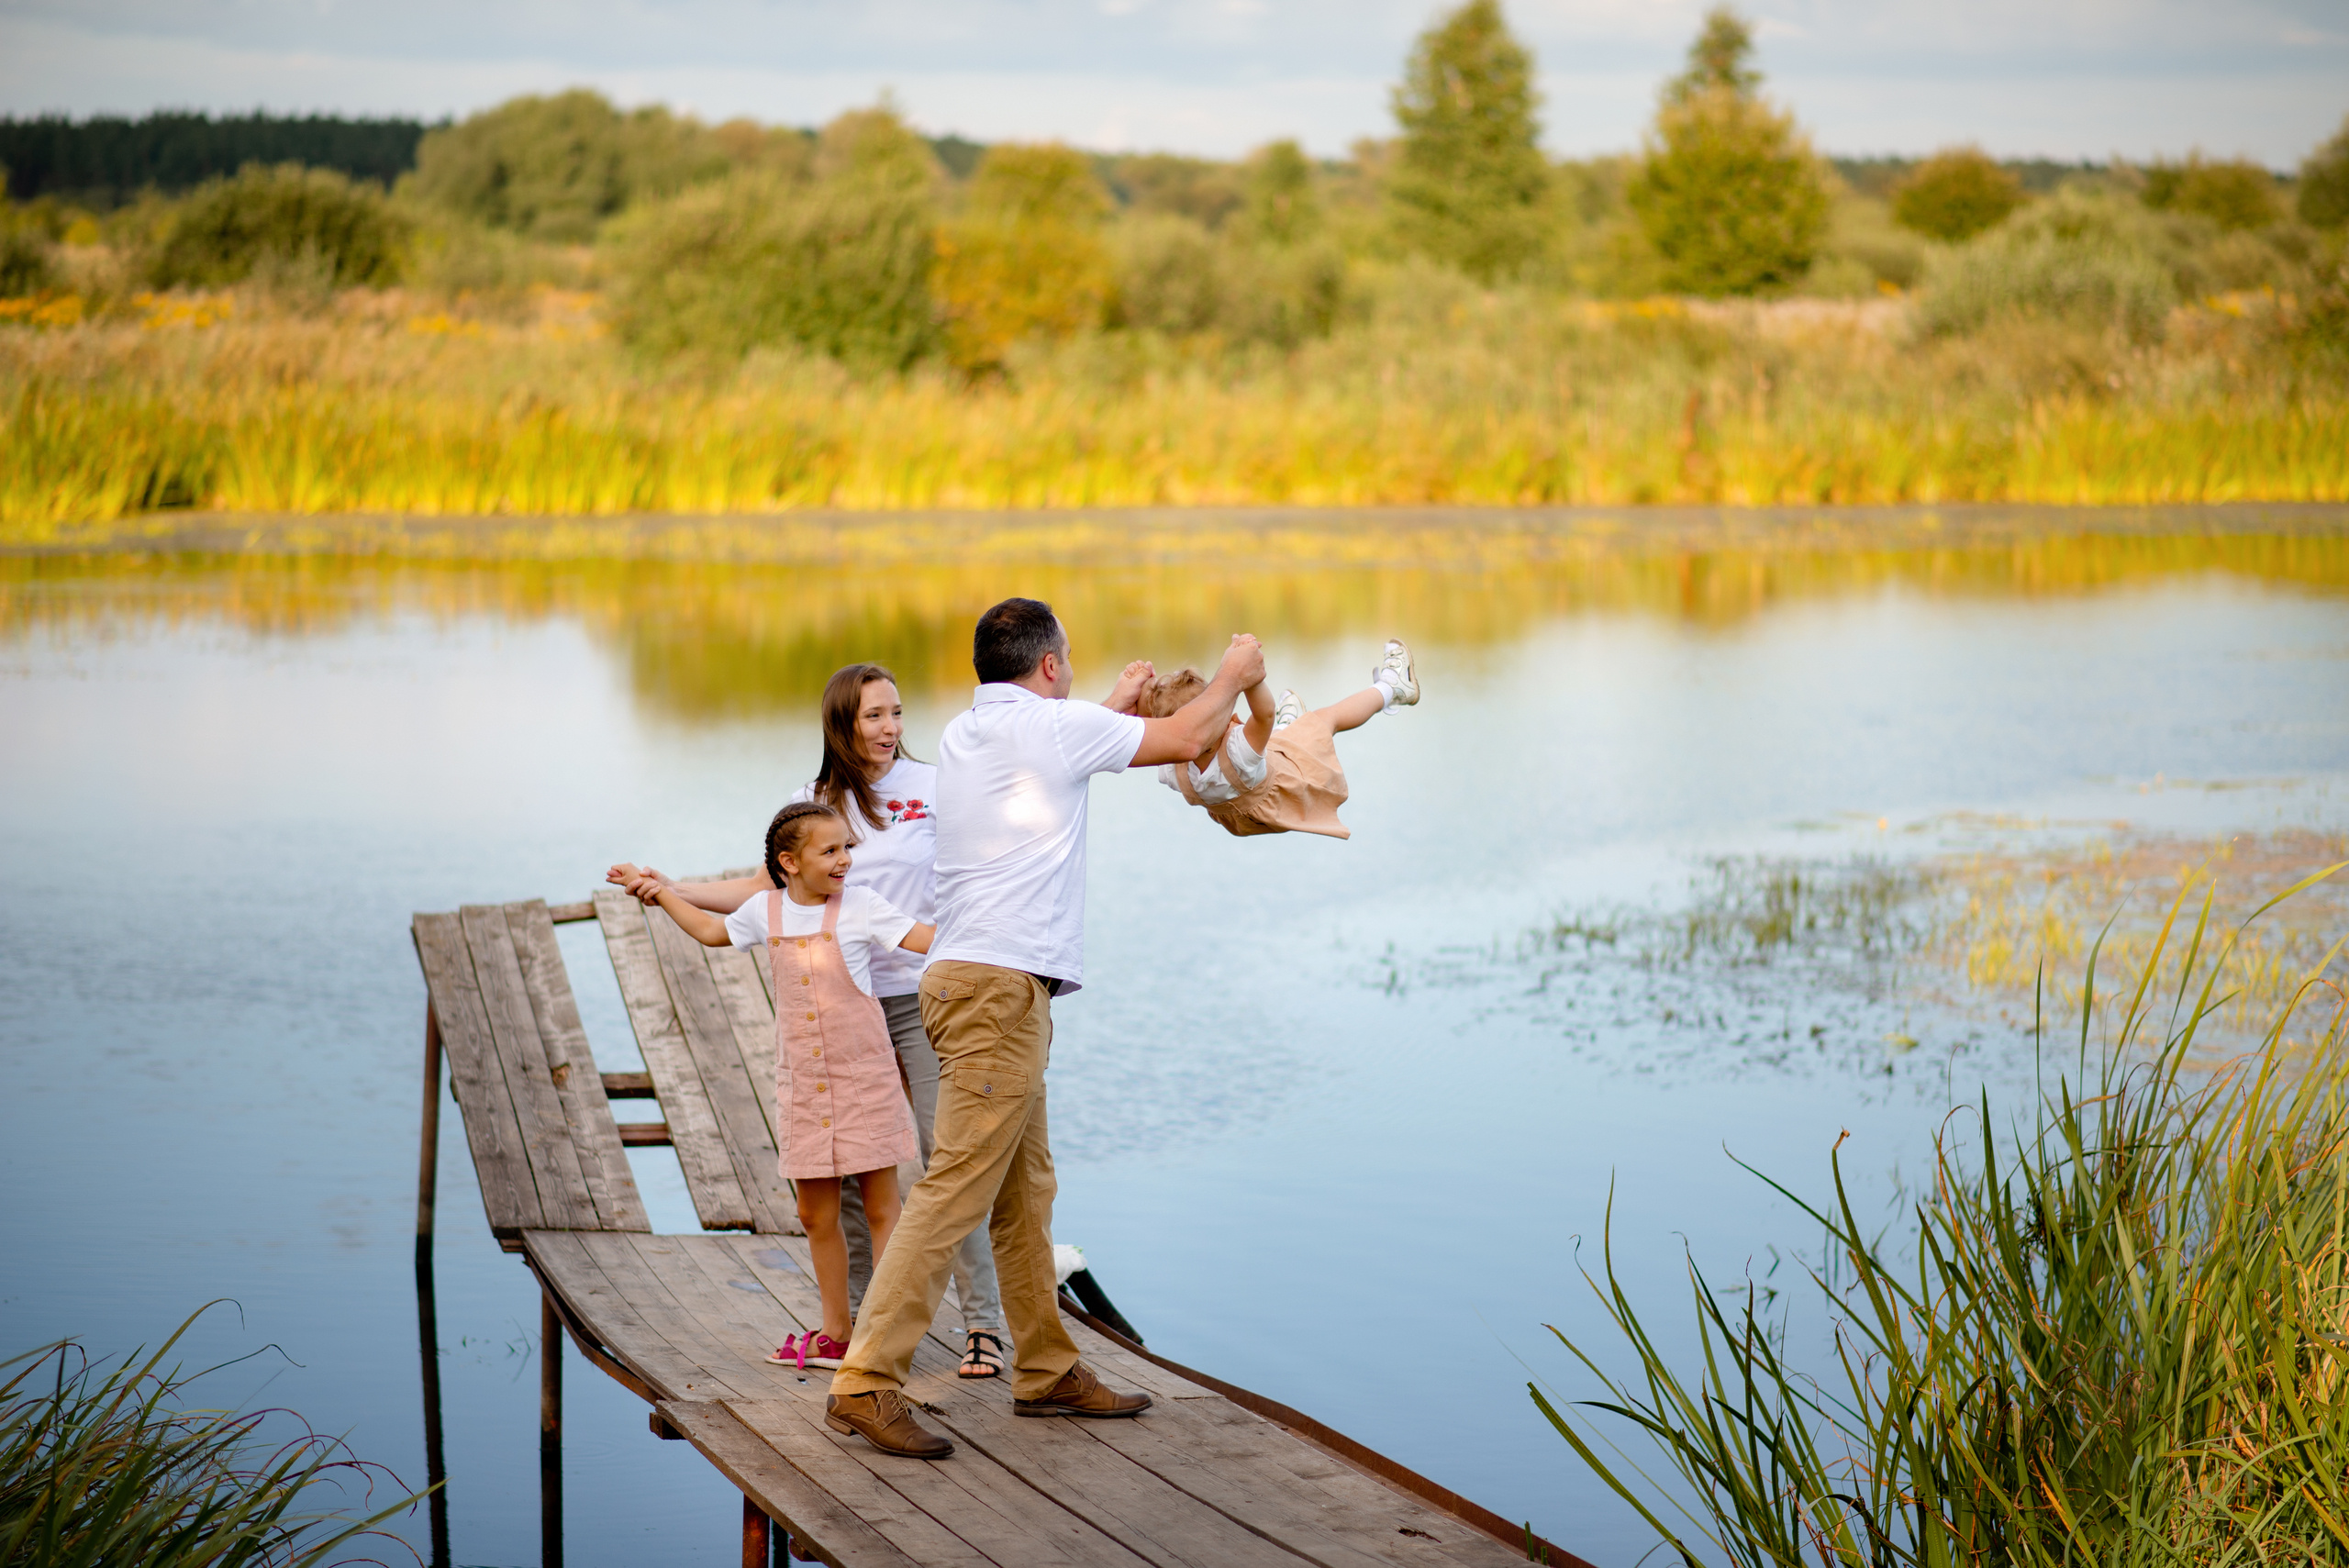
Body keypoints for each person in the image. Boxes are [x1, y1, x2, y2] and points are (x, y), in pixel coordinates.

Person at [823, 597, 1265, 1461]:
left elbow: (1064, 747)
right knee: (955, 1188)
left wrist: (1112, 698)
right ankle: (865, 1382)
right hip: (995, 992)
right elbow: (1182, 740)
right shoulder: (1058, 731)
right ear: (1050, 666)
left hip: (976, 983)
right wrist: (1235, 675)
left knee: (1025, 1193)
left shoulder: (968, 734)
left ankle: (1047, 1367)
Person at [607, 662, 1015, 1380]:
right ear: (842, 724)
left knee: (944, 1160)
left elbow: (990, 859)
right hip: (844, 1009)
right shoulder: (812, 804)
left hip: (920, 996)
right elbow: (766, 887)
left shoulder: (932, 787)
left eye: (896, 712)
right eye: (874, 716)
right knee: (853, 1169)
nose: (890, 728)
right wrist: (672, 886)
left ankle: (982, 1322)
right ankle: (858, 1323)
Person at [639, 800, 927, 1370]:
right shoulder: (763, 911)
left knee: (881, 1210)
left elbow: (926, 938)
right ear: (789, 862)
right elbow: (708, 931)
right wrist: (661, 892)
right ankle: (836, 1334)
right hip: (806, 1088)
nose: (845, 860)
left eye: (848, 847)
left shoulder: (862, 907)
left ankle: (888, 1333)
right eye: (831, 850)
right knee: (815, 1215)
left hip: (865, 1080)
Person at [1115, 638, 1419, 840]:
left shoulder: (1173, 767)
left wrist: (1139, 700)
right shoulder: (1238, 751)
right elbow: (1264, 714)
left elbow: (1141, 739)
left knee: (1271, 740)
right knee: (1327, 719)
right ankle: (1394, 687)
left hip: (1246, 818)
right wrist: (1249, 677)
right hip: (1284, 785)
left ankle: (1289, 726)